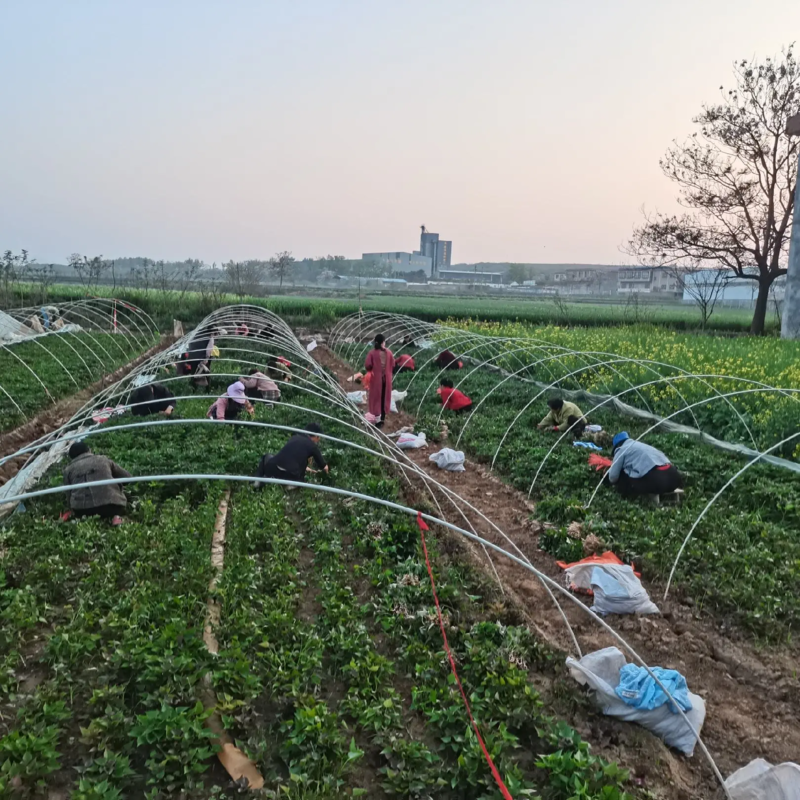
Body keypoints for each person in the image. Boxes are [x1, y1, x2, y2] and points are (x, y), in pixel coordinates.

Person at [61, 442, 131, 525]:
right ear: (89, 450)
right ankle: (115, 516)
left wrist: (71, 508)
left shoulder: (68, 469)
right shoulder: (103, 459)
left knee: (83, 513)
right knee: (116, 499)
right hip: (112, 505)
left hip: (82, 510)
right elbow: (127, 478)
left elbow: (68, 494)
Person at [607, 432, 684, 497]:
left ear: (617, 446)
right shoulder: (642, 446)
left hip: (658, 481)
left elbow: (613, 478)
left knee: (622, 477)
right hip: (674, 479)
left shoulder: (621, 449)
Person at [253, 422, 329, 485]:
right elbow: (324, 467)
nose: (318, 440)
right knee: (300, 465)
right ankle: (293, 485)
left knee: (267, 456)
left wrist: (311, 471)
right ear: (316, 436)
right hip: (290, 476)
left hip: (274, 468)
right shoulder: (312, 446)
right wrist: (326, 475)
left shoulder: (294, 437)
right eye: (319, 437)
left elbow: (290, 459)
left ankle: (257, 480)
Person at [364, 334, 395, 427]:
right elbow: (393, 364)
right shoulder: (389, 353)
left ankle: (378, 420)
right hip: (387, 380)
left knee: (377, 398)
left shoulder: (372, 353)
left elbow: (367, 365)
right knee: (384, 398)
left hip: (377, 380)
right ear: (383, 342)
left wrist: (374, 369)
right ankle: (382, 419)